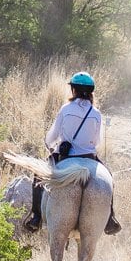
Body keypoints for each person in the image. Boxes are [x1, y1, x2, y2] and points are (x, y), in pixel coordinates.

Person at [24, 71, 121, 235]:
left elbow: (51, 137)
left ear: (73, 90)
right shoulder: (96, 114)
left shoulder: (66, 109)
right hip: (90, 157)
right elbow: (97, 142)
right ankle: (110, 219)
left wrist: (51, 146)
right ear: (91, 92)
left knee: (38, 176)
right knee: (109, 178)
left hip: (66, 157)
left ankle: (36, 217)